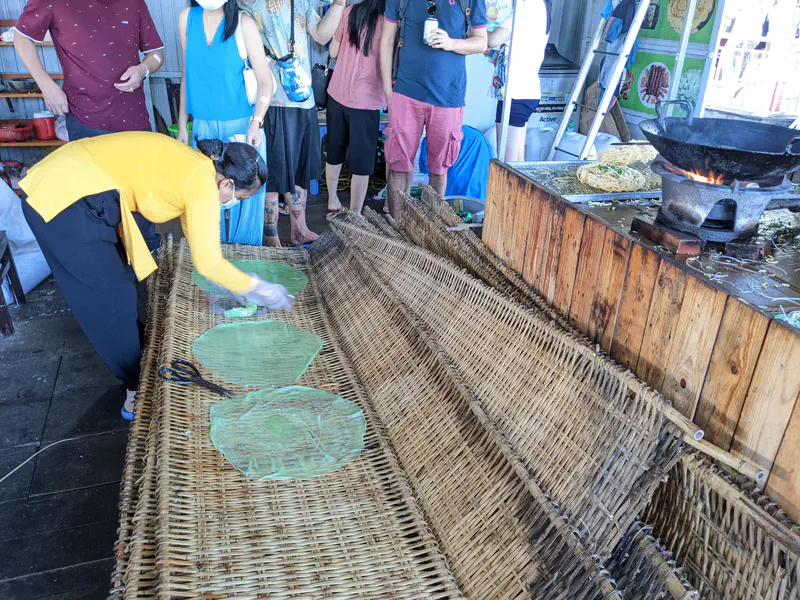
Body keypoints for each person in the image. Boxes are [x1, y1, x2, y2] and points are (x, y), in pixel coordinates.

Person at [19, 133, 295, 420]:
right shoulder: (201, 185)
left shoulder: (199, 168)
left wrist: (233, 285)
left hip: (75, 182)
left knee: (122, 286)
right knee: (110, 300)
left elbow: (199, 240)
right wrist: (260, 289)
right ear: (227, 183)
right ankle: (134, 387)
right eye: (240, 197)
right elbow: (209, 263)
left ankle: (137, 356)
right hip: (66, 199)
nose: (235, 203)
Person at [13, 0, 166, 249]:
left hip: (134, 120)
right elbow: (21, 38)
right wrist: (46, 85)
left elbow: (157, 52)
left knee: (141, 196)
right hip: (87, 119)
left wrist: (144, 69)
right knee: (98, 203)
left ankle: (148, 258)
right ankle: (111, 268)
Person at [239, 0, 347, 245]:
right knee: (273, 173)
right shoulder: (247, 5)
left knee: (301, 168)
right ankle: (272, 236)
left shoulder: (300, 2)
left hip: (303, 99)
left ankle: (299, 228)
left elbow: (320, 35)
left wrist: (339, 6)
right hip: (272, 103)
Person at [177, 0, 276, 246]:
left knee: (247, 202)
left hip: (243, 130)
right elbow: (186, 76)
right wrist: (181, 126)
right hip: (203, 129)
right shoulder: (186, 18)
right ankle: (211, 268)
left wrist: (256, 122)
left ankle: (248, 265)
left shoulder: (244, 23)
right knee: (205, 201)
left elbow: (266, 81)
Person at [380, 0, 488, 218]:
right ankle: (396, 231)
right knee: (398, 165)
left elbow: (481, 41)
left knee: (439, 168)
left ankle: (431, 231)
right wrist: (388, 92)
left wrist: (451, 43)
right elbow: (386, 40)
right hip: (406, 91)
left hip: (448, 96)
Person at [324, 0, 387, 215]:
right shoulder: (389, 21)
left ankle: (332, 200)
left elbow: (333, 51)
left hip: (337, 93)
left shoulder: (350, 12)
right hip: (366, 101)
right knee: (362, 161)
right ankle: (355, 213)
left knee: (334, 150)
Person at [488, 0, 550, 162]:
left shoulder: (528, 5)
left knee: (508, 164)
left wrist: (471, 32)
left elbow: (493, 39)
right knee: (516, 161)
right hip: (519, 92)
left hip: (517, 92)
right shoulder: (538, 5)